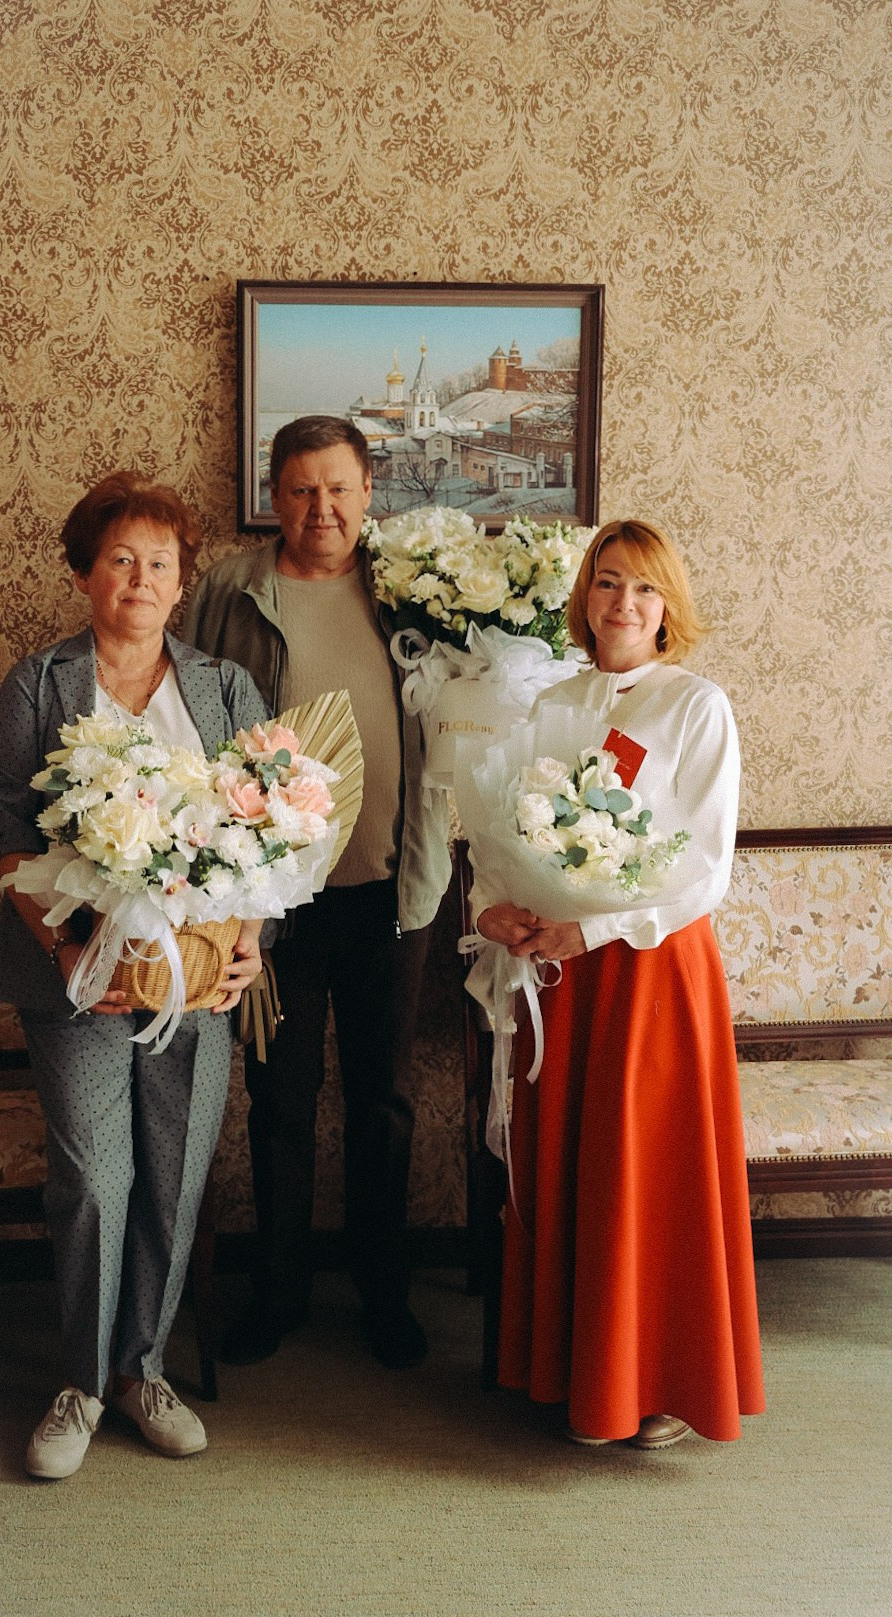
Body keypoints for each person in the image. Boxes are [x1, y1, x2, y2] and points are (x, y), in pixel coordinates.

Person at [0, 472, 268, 1479]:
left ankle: (146, 1368)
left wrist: (247, 950)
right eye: (119, 561)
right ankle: (84, 1384)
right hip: (77, 981)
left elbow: (268, 833)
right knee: (97, 1180)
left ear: (183, 584)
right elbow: (6, 836)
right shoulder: (40, 684)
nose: (139, 580)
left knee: (175, 1182)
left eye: (159, 564)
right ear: (82, 573)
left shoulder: (226, 689)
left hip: (196, 981)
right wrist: (67, 958)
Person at [474, 518, 764, 1449]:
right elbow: (499, 830)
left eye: (643, 587)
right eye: (607, 583)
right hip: (560, 972)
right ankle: (574, 1372)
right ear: (584, 597)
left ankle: (654, 1384)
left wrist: (593, 923)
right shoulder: (553, 700)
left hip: (648, 970)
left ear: (668, 603)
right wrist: (493, 910)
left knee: (646, 1169)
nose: (623, 603)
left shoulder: (696, 706)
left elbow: (705, 869)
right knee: (569, 1160)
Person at [181, 416, 452, 1369]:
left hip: (392, 889)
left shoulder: (415, 589)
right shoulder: (228, 590)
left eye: (338, 488)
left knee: (385, 1100)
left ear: (369, 491)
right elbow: (185, 723)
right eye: (301, 489)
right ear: (274, 496)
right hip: (270, 907)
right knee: (280, 1099)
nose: (321, 508)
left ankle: (386, 1294)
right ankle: (281, 1290)